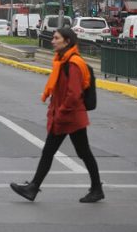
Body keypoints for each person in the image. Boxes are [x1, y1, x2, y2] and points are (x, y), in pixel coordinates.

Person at [10, 27, 103, 203]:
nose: (52, 41)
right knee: (78, 152)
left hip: (69, 117)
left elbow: (74, 94)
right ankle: (96, 188)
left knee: (60, 152)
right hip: (68, 116)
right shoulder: (62, 60)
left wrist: (60, 113)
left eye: (56, 38)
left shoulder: (73, 64)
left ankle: (33, 188)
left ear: (67, 42)